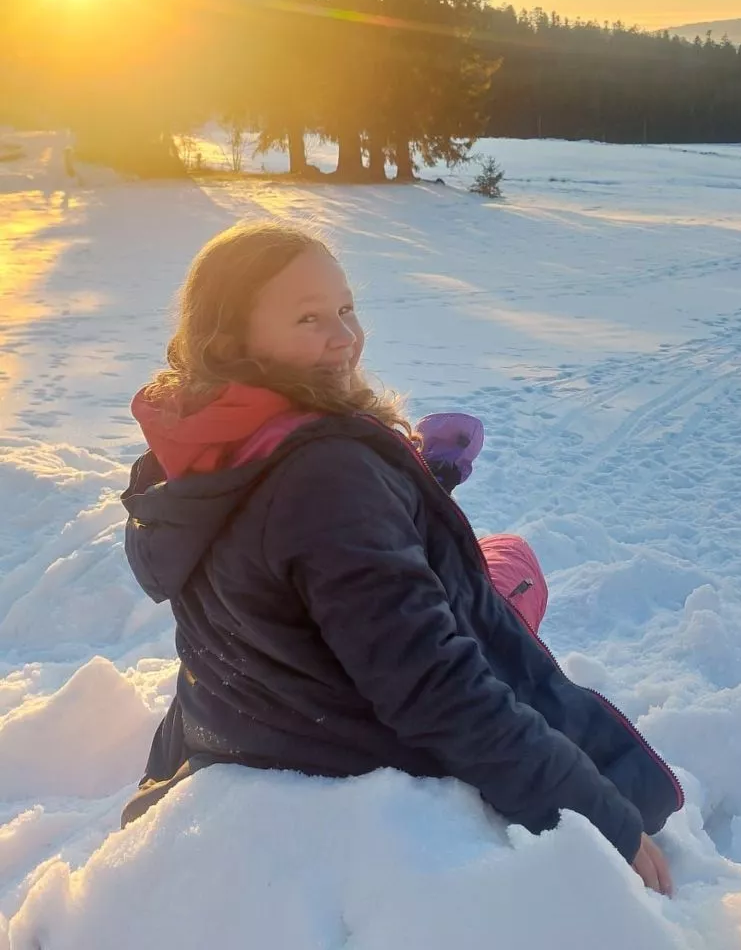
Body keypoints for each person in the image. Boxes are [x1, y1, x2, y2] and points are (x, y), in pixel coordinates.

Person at [120, 222, 680, 895]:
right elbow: (431, 684)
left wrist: (415, 485)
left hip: (266, 708)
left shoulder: (199, 447)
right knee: (514, 567)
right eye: (308, 318)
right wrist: (595, 817)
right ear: (231, 341)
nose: (344, 337)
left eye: (346, 308)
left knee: (496, 559)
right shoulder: (331, 475)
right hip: (349, 737)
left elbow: (292, 538)